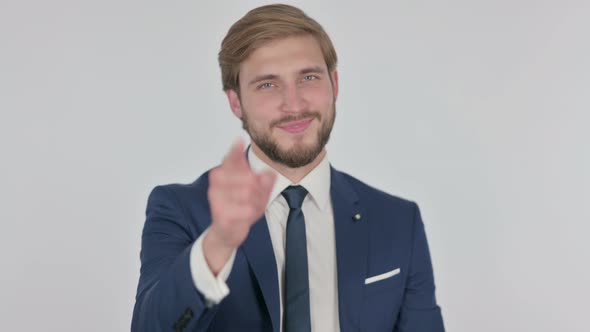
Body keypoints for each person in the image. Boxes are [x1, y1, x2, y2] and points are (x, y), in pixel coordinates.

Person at [132, 4, 444, 332]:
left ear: (334, 84)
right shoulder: (180, 210)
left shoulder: (397, 220)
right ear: (235, 101)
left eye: (308, 77)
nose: (294, 105)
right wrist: (220, 241)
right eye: (268, 84)